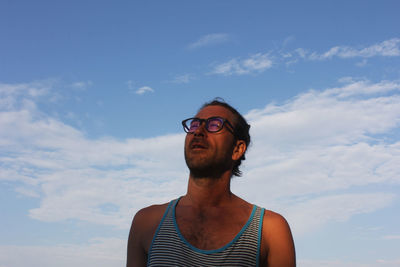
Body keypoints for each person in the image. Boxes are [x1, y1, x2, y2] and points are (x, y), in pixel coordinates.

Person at [127, 99, 296, 267]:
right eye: (194, 125)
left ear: (237, 149)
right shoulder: (146, 222)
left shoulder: (270, 230)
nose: (198, 131)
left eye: (214, 125)